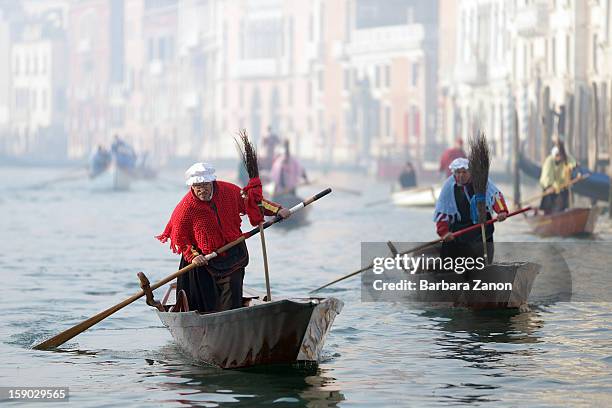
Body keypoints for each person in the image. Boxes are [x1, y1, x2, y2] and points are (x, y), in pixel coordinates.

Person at [156, 163, 291, 313]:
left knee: (232, 298)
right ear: (192, 186)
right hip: (203, 260)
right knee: (203, 303)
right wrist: (193, 256)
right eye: (198, 186)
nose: (202, 190)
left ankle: (232, 321)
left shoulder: (230, 191)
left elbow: (254, 203)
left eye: (206, 185)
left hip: (233, 251)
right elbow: (180, 239)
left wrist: (278, 210)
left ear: (212, 182)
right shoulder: (185, 209)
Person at [434, 158, 509, 263]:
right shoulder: (449, 186)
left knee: (484, 257)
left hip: (482, 226)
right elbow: (442, 211)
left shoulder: (482, 181)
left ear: (470, 172)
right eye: (458, 172)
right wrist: (444, 232)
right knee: (451, 256)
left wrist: (502, 211)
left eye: (464, 172)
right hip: (460, 229)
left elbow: (495, 196)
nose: (461, 175)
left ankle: (485, 271)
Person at [539, 142, 577, 215]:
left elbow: (572, 163)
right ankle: (548, 216)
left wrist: (574, 166)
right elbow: (547, 176)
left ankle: (560, 215)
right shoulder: (549, 161)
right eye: (557, 155)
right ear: (554, 155)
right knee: (548, 204)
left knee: (562, 204)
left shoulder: (566, 158)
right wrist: (549, 186)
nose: (559, 157)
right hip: (550, 187)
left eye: (560, 155)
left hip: (562, 186)